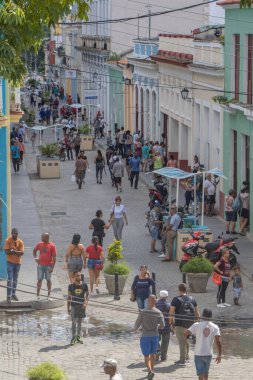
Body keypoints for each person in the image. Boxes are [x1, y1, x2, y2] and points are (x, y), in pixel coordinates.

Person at [185, 308, 221, 380]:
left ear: (202, 315)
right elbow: (218, 342)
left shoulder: (196, 325)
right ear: (210, 316)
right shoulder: (215, 327)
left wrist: (191, 339)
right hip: (208, 353)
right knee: (206, 372)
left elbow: (186, 333)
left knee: (200, 374)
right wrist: (219, 355)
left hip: (198, 353)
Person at [169, 283, 200, 366]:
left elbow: (171, 313)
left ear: (179, 290)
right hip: (190, 325)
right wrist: (197, 324)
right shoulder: (192, 299)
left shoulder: (175, 299)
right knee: (185, 340)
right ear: (186, 290)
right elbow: (197, 314)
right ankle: (186, 357)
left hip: (179, 324)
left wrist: (170, 323)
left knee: (181, 342)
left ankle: (182, 360)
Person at [135, 294, 165, 380]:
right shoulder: (159, 312)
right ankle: (152, 370)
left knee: (146, 356)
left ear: (148, 300)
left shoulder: (143, 311)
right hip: (155, 335)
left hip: (145, 336)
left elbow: (137, 324)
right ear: (156, 301)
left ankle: (150, 371)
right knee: (153, 355)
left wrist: (136, 329)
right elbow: (162, 326)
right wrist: (157, 326)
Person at [33, 233, 57, 300]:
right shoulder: (40, 244)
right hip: (40, 265)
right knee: (39, 279)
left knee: (48, 280)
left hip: (48, 266)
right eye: (41, 237)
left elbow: (54, 258)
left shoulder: (52, 246)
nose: (41, 238)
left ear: (47, 237)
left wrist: (52, 267)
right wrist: (35, 258)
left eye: (43, 237)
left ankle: (49, 295)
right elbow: (34, 250)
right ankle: (37, 295)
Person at [67, 271, 89, 346]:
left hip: (81, 306)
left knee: (80, 322)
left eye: (79, 275)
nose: (79, 277)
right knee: (74, 322)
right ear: (74, 277)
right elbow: (69, 297)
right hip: (73, 306)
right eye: (77, 276)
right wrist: (68, 307)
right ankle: (73, 337)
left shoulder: (85, 285)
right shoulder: (71, 286)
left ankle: (78, 337)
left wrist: (86, 303)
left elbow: (88, 295)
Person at [4, 228, 24, 303]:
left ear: (18, 234)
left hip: (18, 263)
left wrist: (12, 251)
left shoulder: (20, 241)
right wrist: (16, 252)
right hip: (10, 262)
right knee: (9, 279)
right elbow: (6, 252)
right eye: (13, 233)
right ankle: (8, 296)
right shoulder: (8, 240)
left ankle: (13, 294)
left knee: (15, 280)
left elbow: (22, 253)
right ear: (11, 233)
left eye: (16, 233)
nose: (15, 235)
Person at [155, 290, 171, 362]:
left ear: (160, 296)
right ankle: (163, 356)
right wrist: (172, 326)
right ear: (167, 297)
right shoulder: (169, 305)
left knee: (156, 340)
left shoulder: (155, 304)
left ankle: (156, 354)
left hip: (157, 325)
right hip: (166, 326)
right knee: (165, 342)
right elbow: (171, 316)